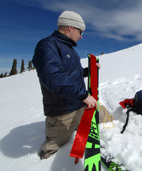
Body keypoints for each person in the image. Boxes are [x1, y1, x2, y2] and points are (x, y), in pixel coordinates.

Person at [32, 11, 107, 159]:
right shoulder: (47, 46)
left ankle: (80, 123)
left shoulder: (69, 49)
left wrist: (89, 71)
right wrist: (84, 95)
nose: (81, 36)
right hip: (63, 114)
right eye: (81, 32)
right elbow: (53, 78)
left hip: (82, 105)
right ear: (70, 27)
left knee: (106, 116)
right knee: (50, 149)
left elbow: (70, 74)